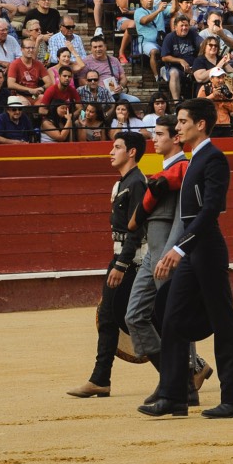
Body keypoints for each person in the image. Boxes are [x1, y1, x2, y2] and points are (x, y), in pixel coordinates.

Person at [139, 98, 233, 418]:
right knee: (170, 316)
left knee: (224, 322)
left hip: (206, 249)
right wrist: (184, 248)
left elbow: (211, 210)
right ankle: (176, 395)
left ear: (200, 124)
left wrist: (179, 247)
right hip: (193, 249)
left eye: (184, 121)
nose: (178, 127)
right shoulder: (195, 159)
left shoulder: (213, 159)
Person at [125, 114, 213, 406]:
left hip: (167, 253)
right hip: (154, 249)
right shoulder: (166, 170)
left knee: (175, 318)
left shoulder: (183, 169)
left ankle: (183, 383)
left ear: (175, 138)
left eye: (160, 134)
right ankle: (172, 378)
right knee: (135, 315)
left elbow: (181, 216)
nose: (154, 139)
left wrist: (174, 251)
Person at [67, 132, 148, 398]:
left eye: (117, 147)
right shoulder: (126, 182)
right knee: (120, 318)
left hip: (130, 260)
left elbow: (137, 229)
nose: (111, 152)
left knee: (124, 318)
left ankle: (189, 369)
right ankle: (101, 378)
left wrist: (122, 263)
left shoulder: (136, 183)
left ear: (132, 152)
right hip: (124, 257)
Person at [161, 15, 201, 103]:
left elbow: (202, 44)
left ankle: (199, 102)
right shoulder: (170, 37)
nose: (184, 28)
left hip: (192, 67)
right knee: (174, 73)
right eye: (181, 26)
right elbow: (164, 57)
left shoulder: (192, 33)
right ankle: (176, 103)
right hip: (175, 68)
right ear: (175, 27)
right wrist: (180, 61)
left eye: (186, 25)